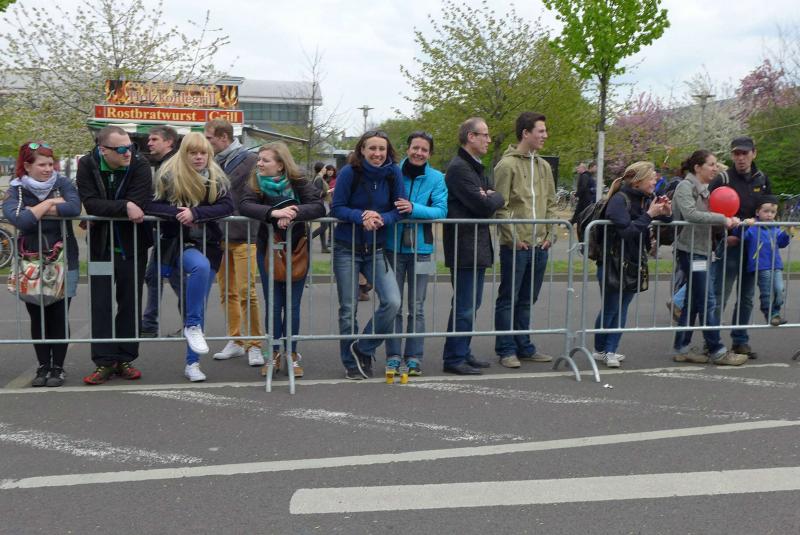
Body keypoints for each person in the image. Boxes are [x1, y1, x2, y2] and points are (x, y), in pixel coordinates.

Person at [145, 132, 234, 381]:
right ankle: (192, 326)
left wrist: (196, 213)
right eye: (193, 153)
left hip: (209, 244)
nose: (198, 157)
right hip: (177, 245)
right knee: (200, 268)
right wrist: (177, 213)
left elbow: (228, 206)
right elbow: (149, 204)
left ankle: (192, 364)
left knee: (199, 304)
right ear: (184, 154)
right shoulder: (167, 174)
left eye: (203, 152)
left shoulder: (216, 177)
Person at [239, 142, 325, 377]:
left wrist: (294, 212)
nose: (259, 163)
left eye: (265, 160)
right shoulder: (256, 181)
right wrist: (273, 213)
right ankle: (274, 353)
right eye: (259, 159)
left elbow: (318, 207)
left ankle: (292, 353)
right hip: (268, 250)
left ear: (280, 165)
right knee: (274, 305)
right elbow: (245, 205)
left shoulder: (299, 181)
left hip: (297, 250)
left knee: (292, 305)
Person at [77, 126, 152, 385]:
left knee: (130, 303)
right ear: (103, 150)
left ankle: (125, 359)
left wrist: (128, 205)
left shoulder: (140, 164)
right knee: (100, 304)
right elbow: (91, 202)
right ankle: (104, 362)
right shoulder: (87, 164)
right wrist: (125, 205)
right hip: (101, 248)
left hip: (132, 247)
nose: (127, 153)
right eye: (121, 149)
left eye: (130, 147)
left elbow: (140, 200)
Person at [3, 142, 81, 387]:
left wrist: (36, 210)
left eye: (50, 164)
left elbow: (74, 207)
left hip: (64, 260)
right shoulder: (16, 188)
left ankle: (57, 368)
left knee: (59, 315)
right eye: (42, 165)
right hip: (30, 262)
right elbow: (19, 220)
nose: (48, 169)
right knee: (37, 316)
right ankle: (43, 366)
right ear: (27, 166)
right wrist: (49, 204)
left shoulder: (63, 183)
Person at [331, 130, 405, 380]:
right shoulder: (349, 172)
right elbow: (337, 208)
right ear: (362, 150)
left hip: (376, 249)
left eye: (382, 149)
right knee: (348, 308)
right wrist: (361, 216)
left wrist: (382, 218)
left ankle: (363, 348)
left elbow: (400, 209)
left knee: (392, 301)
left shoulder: (393, 173)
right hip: (346, 248)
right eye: (372, 148)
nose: (377, 153)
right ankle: (351, 363)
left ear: (388, 151)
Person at [592, 162, 671, 368]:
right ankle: (603, 349)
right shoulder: (619, 200)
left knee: (623, 307)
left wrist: (666, 212)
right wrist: (650, 215)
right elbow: (627, 232)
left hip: (634, 261)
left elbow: (666, 222)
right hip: (612, 261)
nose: (655, 181)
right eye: (651, 178)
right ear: (637, 182)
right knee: (611, 308)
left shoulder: (647, 199)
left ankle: (609, 349)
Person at [671, 150, 747, 366]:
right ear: (697, 167)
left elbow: (708, 217)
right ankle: (717, 351)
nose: (715, 168)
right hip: (691, 250)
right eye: (711, 164)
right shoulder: (685, 187)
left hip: (702, 250)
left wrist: (730, 221)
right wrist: (723, 219)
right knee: (707, 301)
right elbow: (691, 215)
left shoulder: (703, 189)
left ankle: (682, 348)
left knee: (692, 302)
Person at [493, 112, 556, 369]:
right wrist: (513, 237)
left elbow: (551, 203)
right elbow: (501, 206)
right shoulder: (506, 165)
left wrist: (550, 234)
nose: (545, 135)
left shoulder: (544, 166)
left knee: (528, 299)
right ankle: (506, 349)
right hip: (516, 247)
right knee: (508, 298)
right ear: (525, 133)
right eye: (541, 131)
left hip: (540, 246)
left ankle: (524, 346)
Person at [442, 117, 505, 375]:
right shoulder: (460, 168)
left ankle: (462, 351)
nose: (489, 140)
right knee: (465, 305)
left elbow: (492, 197)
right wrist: (491, 197)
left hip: (475, 245)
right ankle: (454, 357)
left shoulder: (474, 167)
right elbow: (483, 205)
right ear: (471, 136)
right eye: (484, 135)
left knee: (471, 304)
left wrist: (492, 196)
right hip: (464, 245)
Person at [384, 131, 448, 376]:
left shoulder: (437, 178)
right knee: (393, 304)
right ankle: (393, 356)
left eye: (424, 150)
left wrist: (413, 208)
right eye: (415, 148)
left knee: (417, 306)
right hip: (392, 248)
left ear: (430, 153)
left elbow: (441, 211)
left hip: (423, 251)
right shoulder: (392, 172)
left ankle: (414, 357)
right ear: (408, 148)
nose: (419, 153)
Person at [204, 119, 264, 366]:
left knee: (247, 291)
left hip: (246, 234)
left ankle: (255, 343)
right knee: (226, 292)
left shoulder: (251, 160)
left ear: (224, 137)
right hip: (220, 236)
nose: (206, 142)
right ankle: (236, 339)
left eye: (209, 138)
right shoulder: (212, 161)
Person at [710, 136, 771, 359]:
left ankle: (740, 340)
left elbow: (768, 209)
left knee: (746, 297)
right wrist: (722, 237)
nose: (741, 158)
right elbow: (709, 210)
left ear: (754, 153)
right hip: (730, 245)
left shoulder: (762, 178)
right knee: (720, 294)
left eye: (745, 153)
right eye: (736, 153)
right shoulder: (723, 178)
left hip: (753, 246)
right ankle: (712, 341)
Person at [141, 125, 182, 337]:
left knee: (175, 278)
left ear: (169, 142)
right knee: (155, 276)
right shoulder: (163, 163)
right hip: (166, 231)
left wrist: (149, 206)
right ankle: (150, 324)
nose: (149, 143)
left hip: (173, 233)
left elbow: (172, 201)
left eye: (154, 139)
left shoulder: (174, 165)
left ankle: (191, 325)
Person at [736, 195, 791, 326]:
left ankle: (775, 310)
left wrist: (787, 233)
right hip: (760, 265)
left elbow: (782, 243)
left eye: (772, 212)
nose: (769, 215)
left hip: (776, 265)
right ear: (757, 212)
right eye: (766, 211)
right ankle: (771, 314)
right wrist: (744, 225)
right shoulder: (753, 227)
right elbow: (741, 236)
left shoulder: (775, 228)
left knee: (779, 289)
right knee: (766, 291)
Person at [310, 161, 331, 253]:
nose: (326, 169)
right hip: (322, 205)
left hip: (323, 205)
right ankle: (308, 239)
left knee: (324, 225)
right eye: (325, 167)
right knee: (324, 226)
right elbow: (319, 194)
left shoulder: (319, 178)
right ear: (321, 168)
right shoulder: (318, 179)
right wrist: (329, 191)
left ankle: (324, 247)